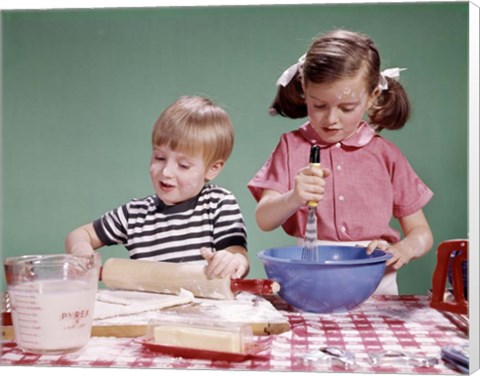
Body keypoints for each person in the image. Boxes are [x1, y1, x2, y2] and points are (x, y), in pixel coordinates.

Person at [248, 29, 433, 294]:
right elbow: (264, 219)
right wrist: (294, 197)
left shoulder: (386, 154)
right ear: (304, 90)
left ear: (372, 97)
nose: (331, 119)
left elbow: (421, 232)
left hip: (377, 287)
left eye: (347, 108)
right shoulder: (291, 146)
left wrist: (404, 248)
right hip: (312, 281)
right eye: (319, 105)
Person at [66, 95, 249, 279]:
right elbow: (80, 234)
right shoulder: (135, 215)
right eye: (159, 158)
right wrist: (81, 250)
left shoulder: (219, 204)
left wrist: (230, 262)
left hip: (207, 307)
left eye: (183, 165)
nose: (166, 171)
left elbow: (238, 256)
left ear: (212, 169)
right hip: (148, 307)